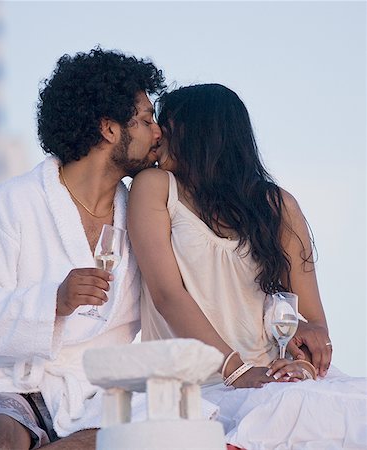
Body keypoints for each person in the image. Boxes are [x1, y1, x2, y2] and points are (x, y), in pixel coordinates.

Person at [0, 47, 165, 450]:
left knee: (133, 433)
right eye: (148, 120)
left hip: (94, 394)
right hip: (6, 383)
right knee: (1, 435)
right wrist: (53, 301)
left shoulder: (141, 214)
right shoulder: (17, 201)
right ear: (109, 129)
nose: (159, 133)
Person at [127, 83, 367, 448]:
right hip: (194, 384)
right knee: (270, 419)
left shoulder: (278, 206)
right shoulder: (156, 187)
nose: (157, 135)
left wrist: (301, 362)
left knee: (341, 410)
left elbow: (313, 321)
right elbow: (166, 293)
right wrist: (234, 368)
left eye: (167, 125)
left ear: (200, 134)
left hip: (266, 378)